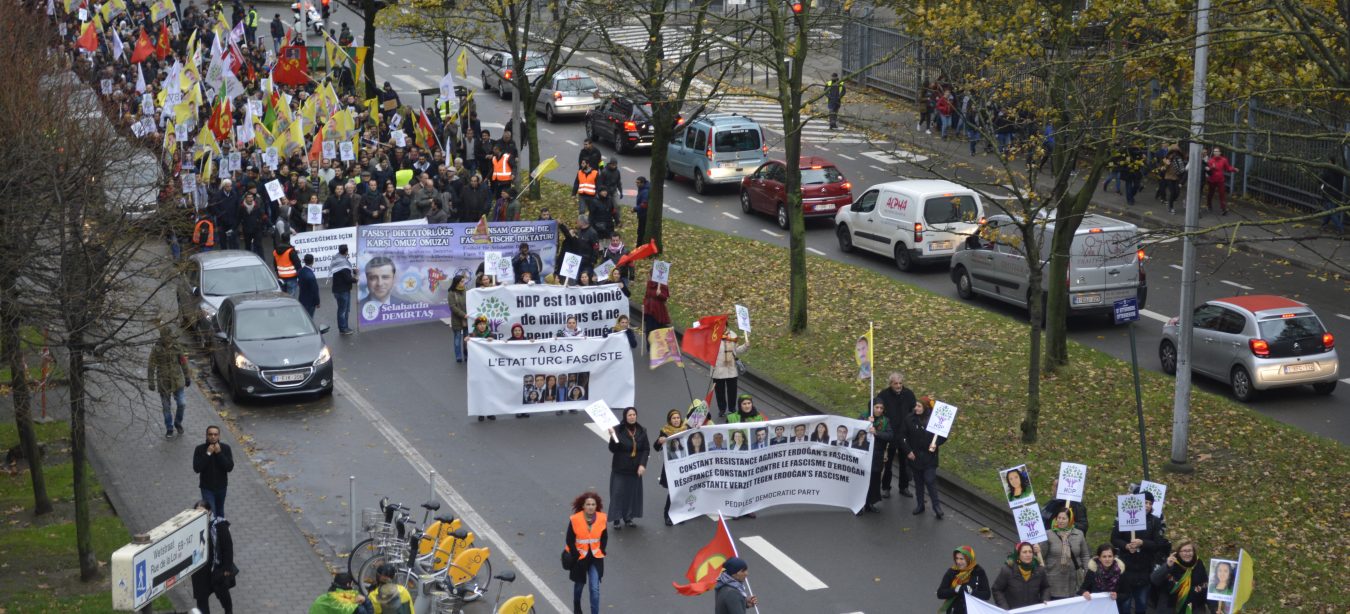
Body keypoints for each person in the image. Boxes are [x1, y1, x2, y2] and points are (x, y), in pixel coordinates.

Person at [1111, 491, 1169, 614]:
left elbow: (1158, 544)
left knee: (1142, 604)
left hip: (1144, 569)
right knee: (1125, 604)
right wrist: (1126, 546)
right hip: (1126, 568)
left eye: (1150, 503)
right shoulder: (1125, 516)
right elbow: (1114, 538)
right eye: (1145, 502)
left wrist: (1142, 543)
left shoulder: (1154, 521)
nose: (1147, 505)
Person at [901, 396, 947, 518]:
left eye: (919, 406)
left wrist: (936, 444)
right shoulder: (909, 419)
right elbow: (903, 436)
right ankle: (920, 504)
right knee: (918, 482)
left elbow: (943, 435)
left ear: (925, 407)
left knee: (930, 480)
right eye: (916, 406)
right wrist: (908, 451)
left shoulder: (936, 420)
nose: (916, 408)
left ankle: (936, 506)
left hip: (929, 457)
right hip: (915, 456)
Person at [564, 491, 608, 614]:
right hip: (580, 559)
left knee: (595, 589)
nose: (590, 507)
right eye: (588, 504)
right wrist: (576, 555)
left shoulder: (602, 518)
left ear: (596, 506)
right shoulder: (575, 519)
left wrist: (602, 549)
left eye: (593, 504)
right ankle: (577, 606)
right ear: (583, 506)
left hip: (595, 558)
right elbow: (569, 539)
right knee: (579, 586)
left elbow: (604, 536)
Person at [190, 500, 236, 613]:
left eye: (203, 512)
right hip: (200, 570)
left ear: (209, 512)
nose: (200, 515)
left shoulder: (220, 526)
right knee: (201, 600)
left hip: (217, 568)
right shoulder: (191, 529)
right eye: (197, 512)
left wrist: (227, 568)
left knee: (223, 594)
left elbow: (228, 548)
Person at [606, 407, 648, 529]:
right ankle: (616, 519)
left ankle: (628, 517)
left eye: (634, 414)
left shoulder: (641, 431)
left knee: (631, 494)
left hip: (635, 469)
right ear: (625, 416)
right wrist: (613, 437)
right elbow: (613, 449)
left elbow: (646, 448)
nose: (632, 417)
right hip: (620, 468)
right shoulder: (618, 430)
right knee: (618, 493)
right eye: (629, 415)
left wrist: (642, 464)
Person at [147, 324, 191, 439]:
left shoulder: (177, 348)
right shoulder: (156, 350)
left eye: (169, 336)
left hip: (177, 380)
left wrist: (187, 377)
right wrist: (151, 382)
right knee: (166, 407)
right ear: (162, 338)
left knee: (182, 403)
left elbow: (183, 362)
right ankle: (169, 428)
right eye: (166, 337)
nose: (168, 339)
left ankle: (178, 422)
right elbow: (151, 366)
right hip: (163, 382)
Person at [876, 372, 915, 499]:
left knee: (905, 463)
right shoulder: (883, 395)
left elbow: (913, 412)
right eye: (895, 383)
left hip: (904, 435)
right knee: (887, 463)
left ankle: (904, 487)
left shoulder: (909, 394)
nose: (898, 386)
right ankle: (886, 487)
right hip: (890, 434)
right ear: (890, 384)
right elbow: (878, 410)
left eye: (900, 383)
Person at [1042, 508, 1090, 599]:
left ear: (1070, 519)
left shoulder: (1079, 534)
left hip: (1074, 580)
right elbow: (1041, 555)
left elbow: (1085, 555)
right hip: (1054, 579)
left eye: (1064, 518)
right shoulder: (1048, 534)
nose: (1060, 521)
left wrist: (1087, 572)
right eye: (1058, 518)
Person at [1151, 540, 1209, 613]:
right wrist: (1167, 566)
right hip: (1170, 606)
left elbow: (1205, 585)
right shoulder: (1172, 563)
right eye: (1184, 551)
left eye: (1190, 550)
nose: (1187, 553)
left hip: (1194, 606)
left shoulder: (1199, 564)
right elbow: (1154, 579)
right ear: (1178, 552)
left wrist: (1214, 607)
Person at [653, 409, 688, 526]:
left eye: (678, 418)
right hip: (671, 468)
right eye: (674, 418)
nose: (676, 420)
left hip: (684, 466)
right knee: (673, 491)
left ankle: (678, 514)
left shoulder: (686, 429)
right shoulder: (665, 431)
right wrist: (659, 441)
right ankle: (667, 515)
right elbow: (656, 447)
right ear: (670, 420)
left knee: (682, 491)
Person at [857, 400, 891, 513]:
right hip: (863, 454)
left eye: (881, 408)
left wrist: (877, 432)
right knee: (862, 480)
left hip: (877, 455)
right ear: (872, 408)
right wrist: (866, 424)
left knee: (874, 480)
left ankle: (869, 503)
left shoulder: (885, 421)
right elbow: (855, 432)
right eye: (877, 407)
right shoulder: (863, 417)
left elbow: (890, 435)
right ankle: (859, 504)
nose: (879, 410)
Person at [993, 542, 1049, 609]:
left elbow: (1046, 587)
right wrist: (1005, 608)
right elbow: (997, 590)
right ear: (1018, 555)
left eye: (1030, 552)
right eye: (1024, 552)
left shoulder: (1039, 570)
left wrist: (1045, 599)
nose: (1028, 555)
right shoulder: (1007, 570)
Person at [193, 426, 235, 518]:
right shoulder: (199, 449)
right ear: (206, 435)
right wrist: (208, 454)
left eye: (215, 434)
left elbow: (229, 467)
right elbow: (197, 468)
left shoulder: (225, 448)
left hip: (221, 487)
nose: (213, 436)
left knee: (220, 511)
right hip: (207, 488)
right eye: (210, 434)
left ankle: (220, 530)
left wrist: (219, 453)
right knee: (211, 513)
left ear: (219, 436)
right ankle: (212, 530)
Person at [937, 546, 991, 614]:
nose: (958, 562)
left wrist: (972, 592)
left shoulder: (978, 572)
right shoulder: (952, 571)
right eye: (956, 558)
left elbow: (987, 594)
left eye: (961, 559)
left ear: (969, 559)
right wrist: (955, 590)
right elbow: (940, 593)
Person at [710, 330, 749, 418]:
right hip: (718, 369)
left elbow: (737, 350)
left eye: (725, 325)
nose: (723, 328)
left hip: (731, 369)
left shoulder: (732, 335)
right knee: (720, 392)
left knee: (732, 391)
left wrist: (745, 346)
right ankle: (722, 409)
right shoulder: (713, 336)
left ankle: (732, 409)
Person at [329, 244, 356, 335]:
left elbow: (344, 272)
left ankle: (345, 327)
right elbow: (348, 278)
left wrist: (354, 271)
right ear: (346, 251)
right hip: (342, 290)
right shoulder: (343, 263)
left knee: (343, 309)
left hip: (339, 289)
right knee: (343, 310)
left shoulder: (337, 258)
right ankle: (343, 329)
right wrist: (357, 279)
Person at [1204, 146, 1237, 215]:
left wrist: (1234, 169)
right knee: (1211, 193)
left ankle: (1223, 209)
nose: (1215, 153)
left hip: (1220, 180)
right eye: (1214, 152)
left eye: (1217, 151)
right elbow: (1208, 170)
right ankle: (1209, 205)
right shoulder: (1211, 160)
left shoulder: (1224, 160)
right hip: (1212, 180)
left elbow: (1228, 168)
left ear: (1220, 153)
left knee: (1222, 194)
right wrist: (1211, 167)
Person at [1319, 155, 1346, 234]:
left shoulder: (1328, 171)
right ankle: (1324, 225)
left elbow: (1320, 180)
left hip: (1329, 194)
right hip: (1337, 194)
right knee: (1328, 210)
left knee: (1332, 212)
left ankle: (1340, 229)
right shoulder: (1340, 171)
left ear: (1330, 162)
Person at [448, 273, 468, 363]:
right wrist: (463, 314)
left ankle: (467, 355)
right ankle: (458, 356)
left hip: (467, 319)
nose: (464, 283)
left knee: (466, 339)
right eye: (462, 281)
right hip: (457, 320)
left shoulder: (466, 291)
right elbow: (452, 307)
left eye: (464, 281)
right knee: (457, 339)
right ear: (457, 283)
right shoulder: (451, 293)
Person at [298, 254, 320, 318]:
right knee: (309, 318)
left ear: (304, 261)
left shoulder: (301, 271)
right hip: (310, 302)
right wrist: (317, 302)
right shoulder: (310, 276)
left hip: (302, 299)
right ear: (313, 261)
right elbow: (315, 290)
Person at [634, 176, 650, 242]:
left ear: (643, 183)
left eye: (638, 183)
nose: (636, 184)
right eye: (636, 182)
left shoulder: (645, 192)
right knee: (640, 230)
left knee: (641, 231)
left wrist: (635, 209)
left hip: (644, 214)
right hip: (642, 213)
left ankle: (639, 245)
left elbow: (644, 204)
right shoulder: (641, 188)